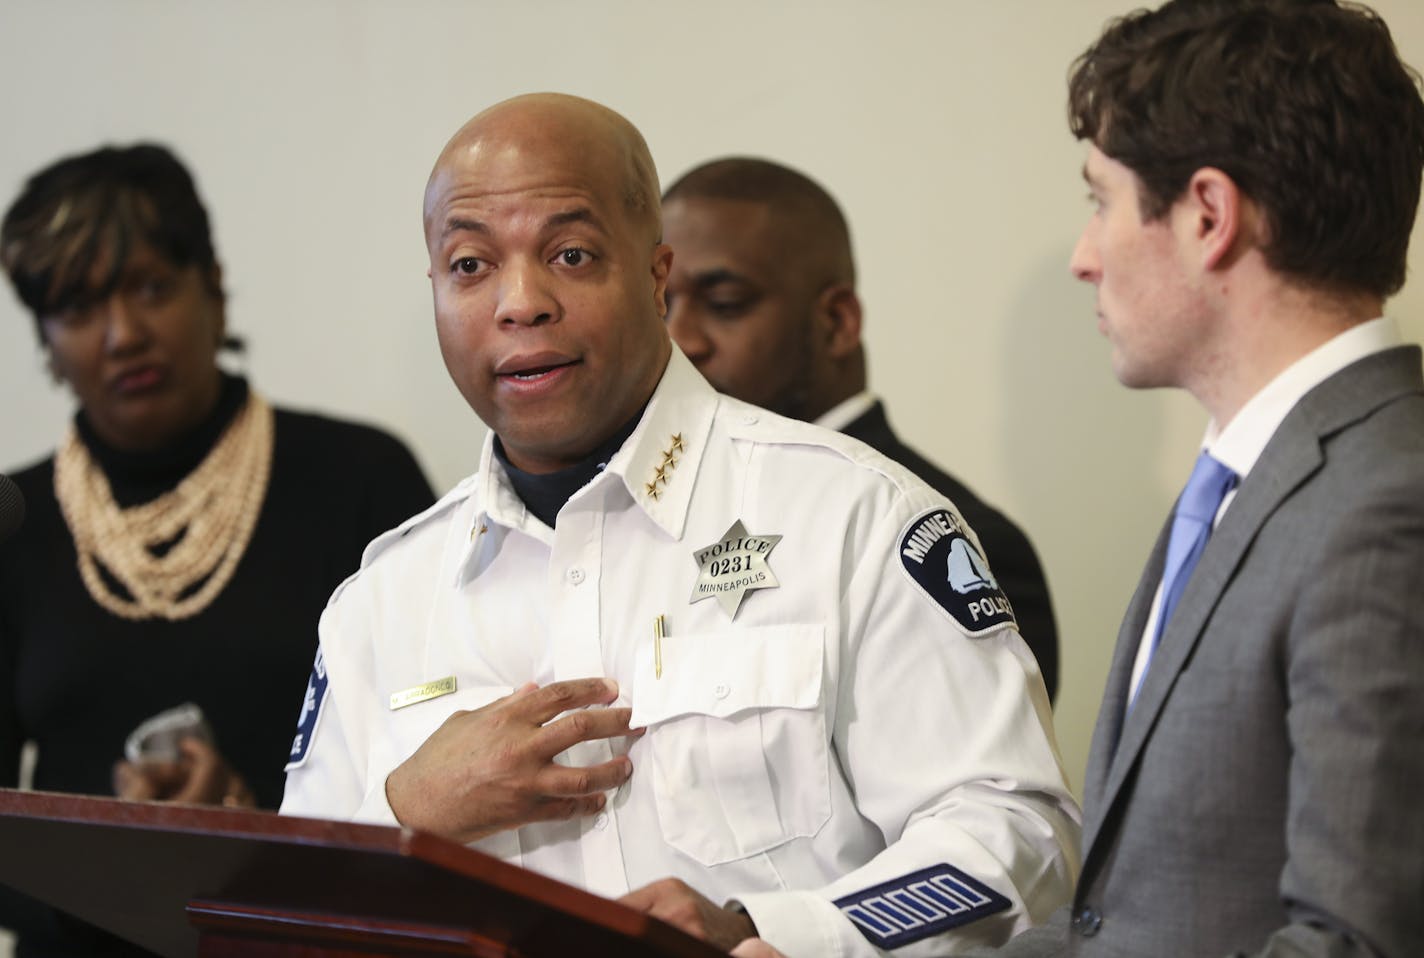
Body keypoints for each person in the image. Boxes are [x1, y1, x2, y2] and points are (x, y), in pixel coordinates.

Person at [280, 92, 1080, 957]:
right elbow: (277, 918)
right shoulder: (380, 601)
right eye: (470, 265)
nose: (520, 302)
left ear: (656, 277)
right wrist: (407, 812)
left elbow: (1017, 836)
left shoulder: (856, 516)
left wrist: (767, 934)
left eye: (571, 254)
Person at [0, 143, 436, 955]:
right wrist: (117, 869)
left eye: (152, 287)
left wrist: (252, 839)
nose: (124, 333)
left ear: (216, 292)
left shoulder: (358, 479)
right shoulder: (12, 523)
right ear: (47, 345)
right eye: (79, 308)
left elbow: (436, 767)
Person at [660, 159, 1061, 701]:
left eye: (726, 304)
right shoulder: (659, 516)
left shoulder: (960, 543)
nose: (680, 339)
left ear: (837, 323)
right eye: (661, 306)